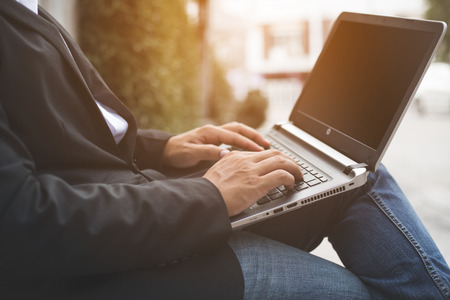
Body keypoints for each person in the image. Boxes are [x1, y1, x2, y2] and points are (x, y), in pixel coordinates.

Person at [0, 1, 449, 299]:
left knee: (357, 174)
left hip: (134, 209)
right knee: (354, 293)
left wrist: (164, 147)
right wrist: (209, 195)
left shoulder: (27, 9)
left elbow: (60, 143)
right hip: (103, 269)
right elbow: (20, 221)